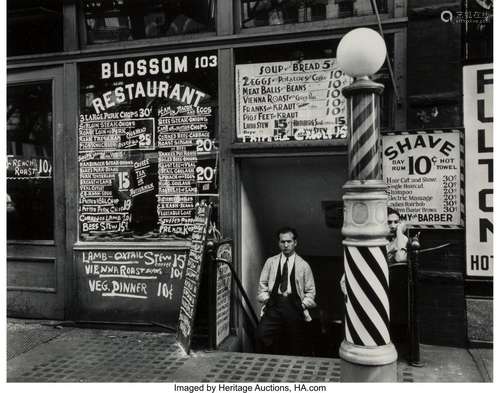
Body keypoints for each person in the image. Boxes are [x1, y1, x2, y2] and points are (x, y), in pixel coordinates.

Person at [255, 227, 316, 355]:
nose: (286, 245)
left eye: (289, 241)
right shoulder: (270, 262)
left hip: (294, 306)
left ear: (295, 243)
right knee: (262, 335)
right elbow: (262, 286)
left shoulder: (304, 265)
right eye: (282, 242)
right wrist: (268, 300)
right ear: (279, 243)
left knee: (295, 342)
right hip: (274, 305)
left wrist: (302, 305)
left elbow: (311, 292)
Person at [340, 207, 409, 295]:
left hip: (391, 284)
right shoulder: (377, 240)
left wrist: (399, 231)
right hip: (372, 279)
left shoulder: (401, 239)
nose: (393, 226)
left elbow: (400, 258)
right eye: (389, 222)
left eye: (396, 222)